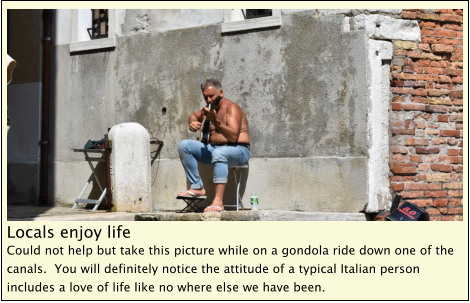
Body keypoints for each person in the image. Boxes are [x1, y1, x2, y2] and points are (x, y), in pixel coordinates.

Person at [178, 79, 250, 212]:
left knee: (219, 152)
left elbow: (233, 137)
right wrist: (192, 121)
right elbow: (194, 115)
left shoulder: (232, 108)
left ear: (221, 93)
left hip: (239, 150)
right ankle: (197, 187)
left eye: (211, 96)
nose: (209, 100)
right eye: (205, 97)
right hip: (215, 150)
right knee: (184, 145)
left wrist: (214, 121)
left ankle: (218, 202)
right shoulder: (210, 109)